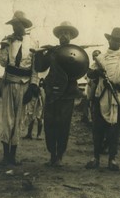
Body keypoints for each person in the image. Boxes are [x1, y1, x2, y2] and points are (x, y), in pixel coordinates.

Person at [85, 27, 120, 171]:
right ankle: (95, 157)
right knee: (98, 128)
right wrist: (97, 72)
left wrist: (119, 85)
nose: (115, 42)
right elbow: (89, 73)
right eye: (113, 39)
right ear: (109, 39)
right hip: (100, 96)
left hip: (118, 98)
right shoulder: (101, 57)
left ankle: (112, 159)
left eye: (118, 40)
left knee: (114, 130)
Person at [35, 21, 84, 167]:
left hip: (67, 93)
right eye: (61, 32)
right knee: (50, 123)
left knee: (63, 125)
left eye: (67, 33)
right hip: (51, 92)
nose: (64, 35)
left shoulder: (75, 53)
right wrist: (39, 53)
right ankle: (52, 155)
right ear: (58, 36)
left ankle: (60, 156)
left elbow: (81, 69)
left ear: (71, 36)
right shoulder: (52, 51)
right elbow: (40, 67)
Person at [0, 11, 39, 165]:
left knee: (19, 119)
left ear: (24, 25)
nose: (16, 27)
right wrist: (2, 48)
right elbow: (3, 63)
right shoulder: (7, 42)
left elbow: (36, 68)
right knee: (7, 118)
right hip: (9, 83)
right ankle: (5, 156)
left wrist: (33, 86)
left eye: (19, 24)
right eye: (14, 24)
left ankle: (13, 156)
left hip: (24, 84)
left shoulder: (34, 43)